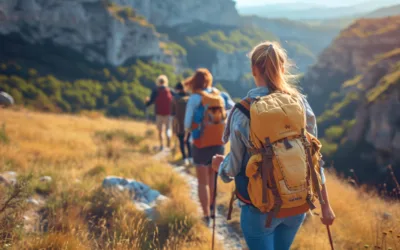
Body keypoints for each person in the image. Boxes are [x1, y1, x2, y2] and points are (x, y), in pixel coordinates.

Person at [211, 41, 336, 250]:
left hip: (259, 206)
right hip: (297, 204)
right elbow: (313, 158)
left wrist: (220, 168)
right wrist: (325, 206)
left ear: (254, 69)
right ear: (283, 68)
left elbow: (233, 167)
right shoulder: (300, 103)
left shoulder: (243, 111)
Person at [183, 68, 234, 226]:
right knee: (213, 178)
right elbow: (234, 110)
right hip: (219, 142)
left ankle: (205, 215)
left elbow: (186, 125)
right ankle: (213, 210)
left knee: (202, 181)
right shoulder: (221, 95)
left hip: (200, 143)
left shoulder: (195, 98)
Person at [145, 75, 174, 151]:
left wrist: (147, 101)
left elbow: (150, 102)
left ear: (158, 82)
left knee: (160, 130)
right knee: (168, 129)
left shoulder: (156, 90)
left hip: (159, 113)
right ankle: (168, 145)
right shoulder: (169, 90)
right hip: (168, 113)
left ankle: (162, 145)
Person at [171, 82, 192, 165]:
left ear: (177, 89)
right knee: (188, 141)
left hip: (179, 123)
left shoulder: (175, 99)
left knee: (181, 141)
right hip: (189, 123)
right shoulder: (190, 98)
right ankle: (190, 157)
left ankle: (184, 158)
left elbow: (172, 113)